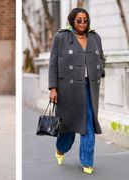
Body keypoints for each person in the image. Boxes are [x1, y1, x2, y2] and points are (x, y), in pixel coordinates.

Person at [48, 8, 105, 174]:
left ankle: (87, 161)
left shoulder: (95, 37)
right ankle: (60, 148)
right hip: (67, 89)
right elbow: (53, 64)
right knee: (68, 127)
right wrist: (53, 88)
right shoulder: (61, 37)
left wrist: (101, 69)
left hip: (89, 87)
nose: (82, 23)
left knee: (88, 125)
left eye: (85, 20)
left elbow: (101, 56)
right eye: (79, 20)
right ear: (72, 20)